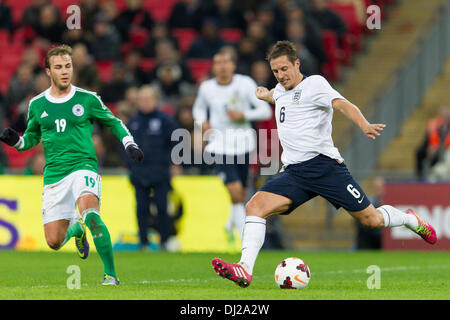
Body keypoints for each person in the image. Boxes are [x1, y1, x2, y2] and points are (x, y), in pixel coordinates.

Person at [211, 40, 437, 288]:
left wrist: (363, 124)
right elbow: (281, 98)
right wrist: (266, 95)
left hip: (325, 168)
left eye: (285, 69)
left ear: (297, 63)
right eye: (276, 71)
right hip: (295, 173)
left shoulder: (315, 84)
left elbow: (342, 104)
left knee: (372, 220)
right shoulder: (280, 90)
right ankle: (244, 269)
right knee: (255, 206)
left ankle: (410, 220)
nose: (281, 75)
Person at [0, 44, 144, 286]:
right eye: (58, 67)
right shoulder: (37, 104)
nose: (64, 71)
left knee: (91, 214)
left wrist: (129, 143)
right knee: (54, 242)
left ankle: (111, 275)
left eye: (68, 66)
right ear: (48, 72)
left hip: (83, 166)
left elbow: (114, 122)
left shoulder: (87, 99)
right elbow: (32, 138)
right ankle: (76, 231)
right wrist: (17, 141)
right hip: (55, 174)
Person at [193, 50, 272, 243]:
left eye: (225, 62)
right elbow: (199, 108)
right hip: (218, 145)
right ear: (213, 67)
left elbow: (265, 110)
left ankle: (230, 223)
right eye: (217, 62)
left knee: (241, 192)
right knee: (236, 190)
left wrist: (243, 115)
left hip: (243, 143)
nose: (222, 66)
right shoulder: (207, 88)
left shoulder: (245, 84)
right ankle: (246, 239)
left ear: (233, 65)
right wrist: (202, 122)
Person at [124, 85, 179, 250]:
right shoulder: (132, 122)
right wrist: (131, 164)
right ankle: (143, 242)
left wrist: (170, 161)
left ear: (155, 100)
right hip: (139, 173)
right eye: (142, 99)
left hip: (160, 172)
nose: (146, 102)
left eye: (149, 99)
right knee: (142, 208)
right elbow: (123, 145)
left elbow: (176, 142)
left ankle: (164, 241)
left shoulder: (165, 121)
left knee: (162, 207)